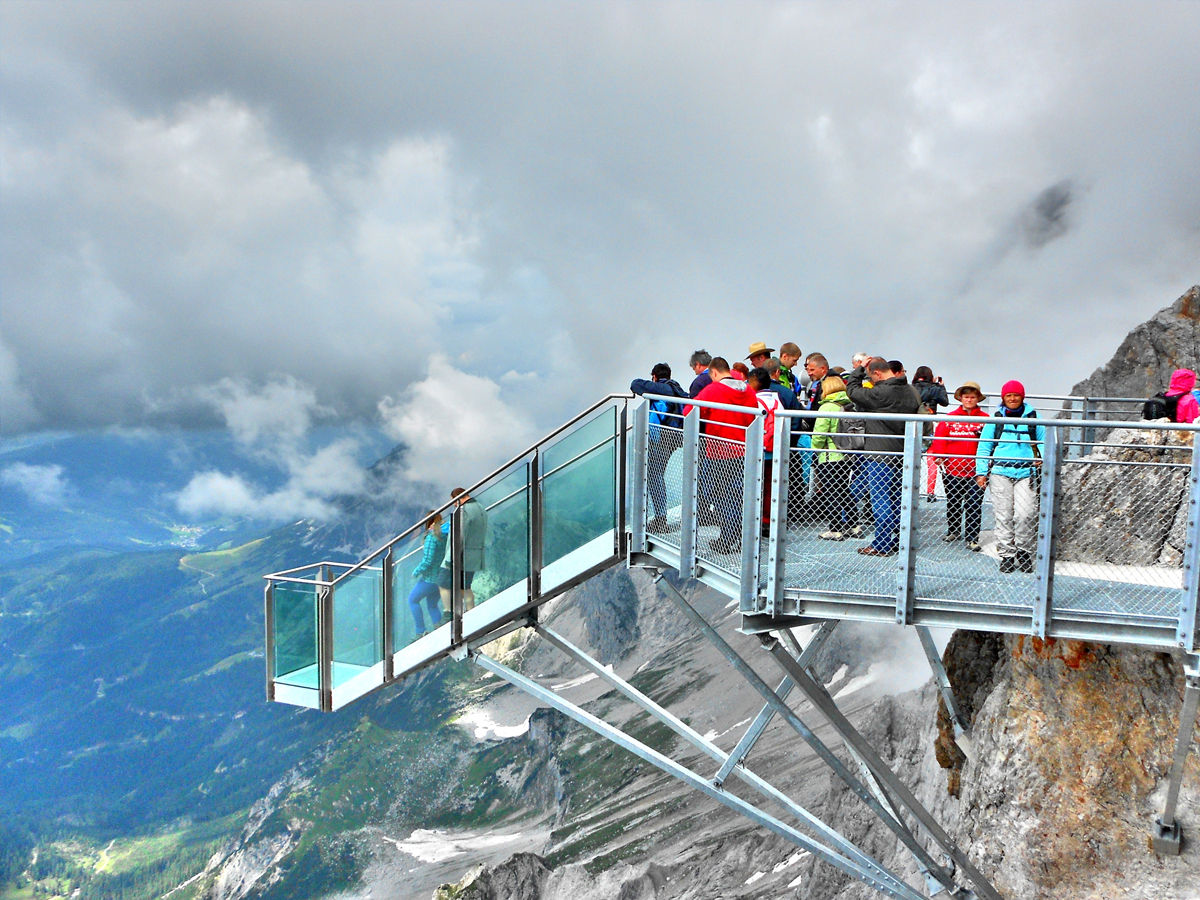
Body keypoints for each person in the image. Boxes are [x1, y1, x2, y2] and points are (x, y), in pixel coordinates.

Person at [844, 357, 922, 556]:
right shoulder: (911, 391)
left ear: (877, 373)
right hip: (903, 453)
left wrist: (860, 368)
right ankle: (898, 540)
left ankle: (881, 544)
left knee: (880, 499)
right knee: (897, 499)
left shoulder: (880, 392)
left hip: (879, 454)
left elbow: (852, 390)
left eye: (871, 375)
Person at [687, 357, 758, 553]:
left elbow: (688, 411)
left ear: (715, 373)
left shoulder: (713, 389)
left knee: (722, 497)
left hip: (719, 452)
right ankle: (740, 535)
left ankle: (727, 538)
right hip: (745, 450)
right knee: (739, 495)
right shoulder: (748, 391)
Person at [976, 381, 1044, 574]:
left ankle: (1023, 551)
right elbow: (985, 446)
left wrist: (1041, 457)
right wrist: (981, 472)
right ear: (1003, 398)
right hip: (1000, 471)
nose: (1012, 399)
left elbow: (1043, 441)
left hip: (1026, 472)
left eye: (1016, 395)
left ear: (1022, 397)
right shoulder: (996, 418)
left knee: (1025, 514)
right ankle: (1006, 554)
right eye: (1009, 395)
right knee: (1003, 515)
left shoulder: (1033, 416)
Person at [929, 382, 988, 551]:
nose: (969, 400)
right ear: (961, 398)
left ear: (978, 399)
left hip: (977, 472)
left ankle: (972, 537)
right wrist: (939, 457)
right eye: (966, 397)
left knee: (974, 504)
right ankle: (953, 530)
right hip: (952, 469)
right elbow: (939, 440)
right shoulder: (949, 419)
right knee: (953, 502)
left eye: (972, 397)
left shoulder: (986, 420)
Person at [631, 362, 689, 533]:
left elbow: (635, 384)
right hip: (673, 438)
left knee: (654, 475)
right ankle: (660, 516)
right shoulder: (678, 389)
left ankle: (660, 518)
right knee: (657, 474)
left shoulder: (660, 389)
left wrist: (651, 385)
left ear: (655, 376)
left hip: (660, 439)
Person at [810, 374, 857, 540]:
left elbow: (819, 435)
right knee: (844, 489)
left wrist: (814, 449)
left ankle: (835, 528)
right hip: (846, 455)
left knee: (832, 492)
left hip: (829, 456)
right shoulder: (848, 405)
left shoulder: (827, 407)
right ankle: (853, 525)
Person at [438, 487, 488, 610]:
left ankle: (448, 613)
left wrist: (450, 558)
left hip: (460, 556)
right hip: (474, 556)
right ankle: (470, 612)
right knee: (465, 587)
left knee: (442, 583)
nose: (454, 505)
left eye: (454, 501)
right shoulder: (481, 508)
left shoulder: (463, 511)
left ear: (458, 498)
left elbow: (459, 536)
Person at [749, 367, 783, 535]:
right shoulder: (778, 401)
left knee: (754, 485)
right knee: (771, 486)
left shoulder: (754, 401)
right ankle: (768, 520)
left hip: (757, 450)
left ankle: (754, 519)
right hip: (775, 450)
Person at [913, 365, 951, 501]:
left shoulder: (911, 388)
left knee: (912, 458)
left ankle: (911, 489)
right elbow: (945, 402)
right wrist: (940, 386)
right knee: (932, 461)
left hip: (913, 427)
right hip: (930, 426)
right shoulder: (934, 388)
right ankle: (930, 492)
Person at [408, 511, 447, 634]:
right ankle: (439, 628)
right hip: (442, 577)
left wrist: (416, 572)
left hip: (430, 578)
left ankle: (420, 631)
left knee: (412, 600)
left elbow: (427, 560)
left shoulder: (432, 538)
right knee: (432, 605)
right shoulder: (446, 535)